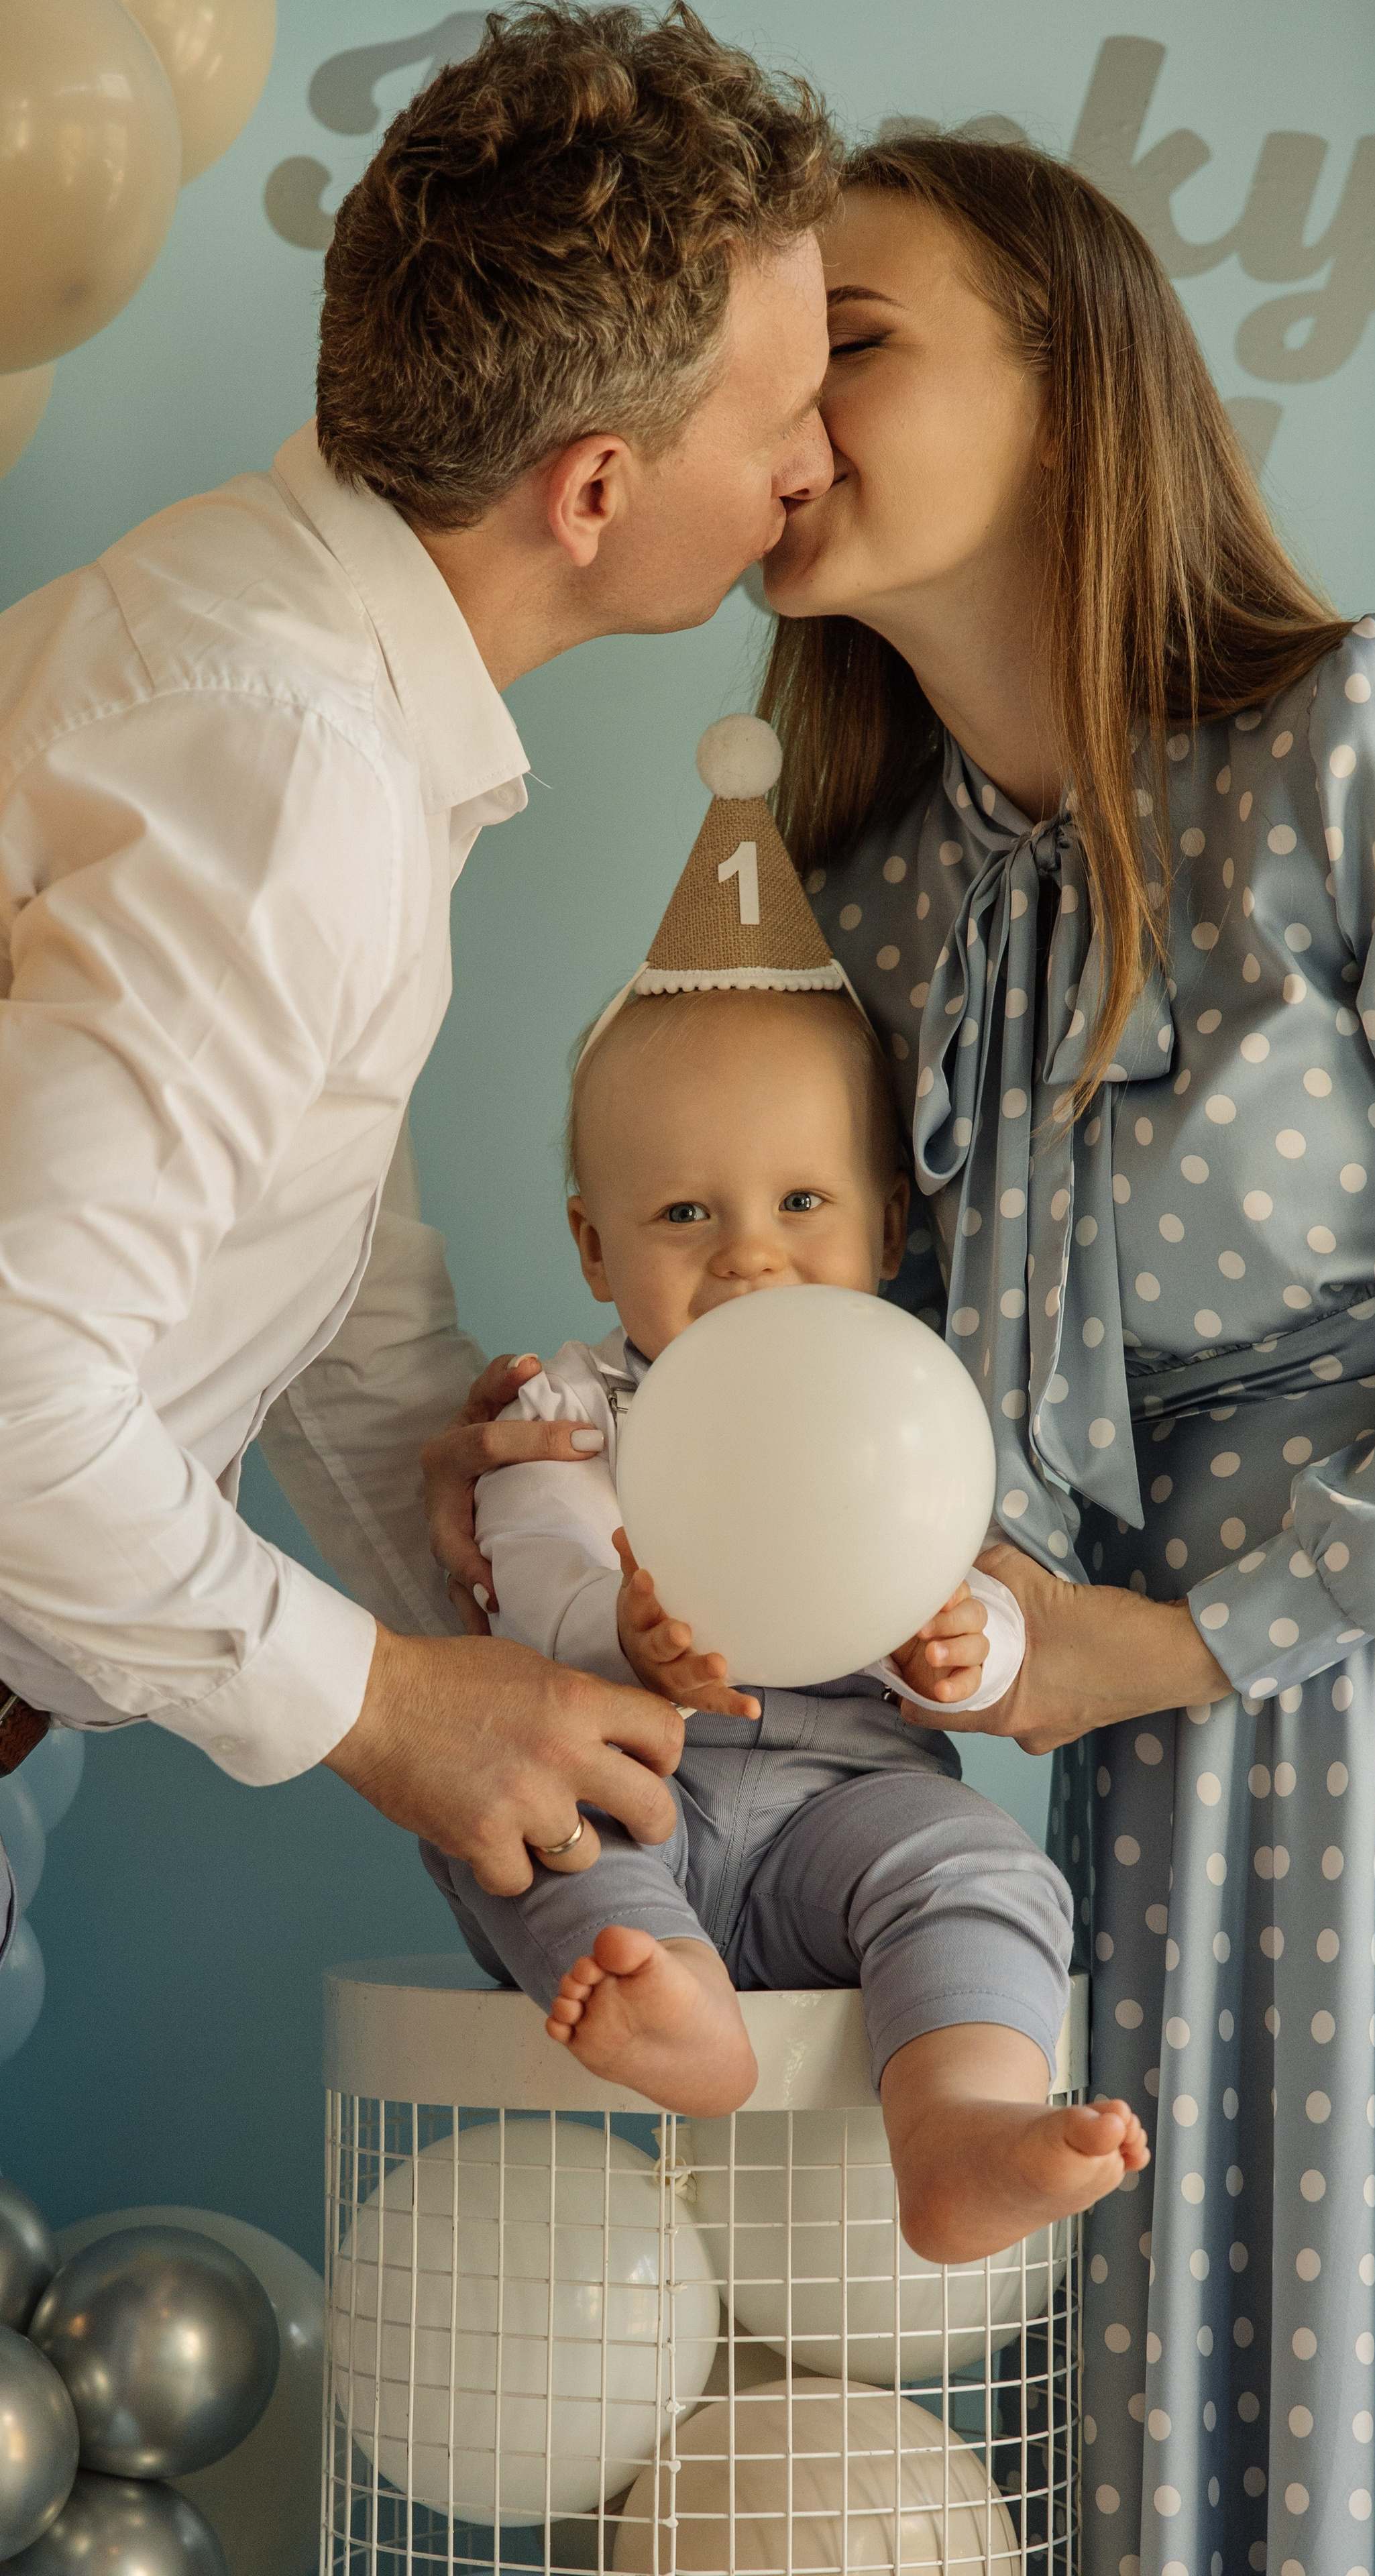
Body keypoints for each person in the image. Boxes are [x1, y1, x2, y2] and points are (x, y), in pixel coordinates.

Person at [752, 136, 1375, 2573]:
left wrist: (1193, 1633)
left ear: (1075, 394)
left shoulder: (1355, 736)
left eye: (852, 336)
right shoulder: (891, 895)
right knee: (1193, 2390)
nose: (785, 396)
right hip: (1156, 1737)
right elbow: (904, 1393)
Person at [0, 4, 838, 1915]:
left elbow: (327, 1291)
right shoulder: (288, 766)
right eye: (781, 409)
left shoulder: (300, 673)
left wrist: (538, 1608)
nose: (815, 461)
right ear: (599, 490)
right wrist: (381, 1704)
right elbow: (14, 1390)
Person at [423, 716, 1145, 2261]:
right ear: (594, 1249)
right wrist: (624, 1636)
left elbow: (984, 1579)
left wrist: (975, 1651)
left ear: (886, 1223)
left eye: (799, 1202)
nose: (746, 1253)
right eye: (683, 1212)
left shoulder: (906, 1408)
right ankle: (667, 1994)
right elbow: (530, 1561)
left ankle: (955, 2129)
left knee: (979, 1867)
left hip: (847, 1800)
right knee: (514, 1817)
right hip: (645, 1782)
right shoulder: (573, 1410)